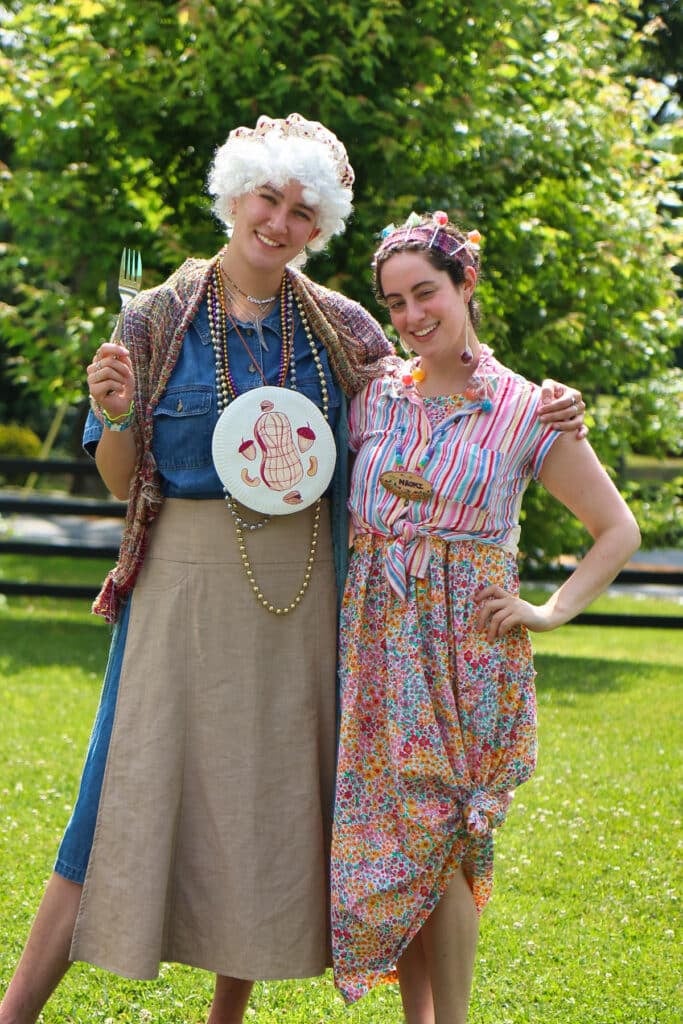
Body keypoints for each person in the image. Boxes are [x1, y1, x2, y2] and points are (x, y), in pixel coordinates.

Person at [0, 120, 585, 1024]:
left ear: (320, 227)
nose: (279, 221)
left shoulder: (342, 328)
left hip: (304, 589)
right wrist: (114, 414)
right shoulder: (151, 316)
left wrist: (545, 402)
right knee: (115, 797)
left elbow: (432, 396)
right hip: (182, 585)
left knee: (266, 808)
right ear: (234, 197)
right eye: (267, 198)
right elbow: (125, 483)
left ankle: (226, 1018)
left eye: (302, 211)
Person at [329, 212, 640, 1024]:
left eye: (424, 292)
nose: (409, 316)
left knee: (446, 833)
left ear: (465, 285)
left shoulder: (526, 408)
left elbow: (617, 529)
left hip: (466, 648)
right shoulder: (370, 401)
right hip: (372, 645)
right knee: (398, 839)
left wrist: (550, 609)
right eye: (393, 302)